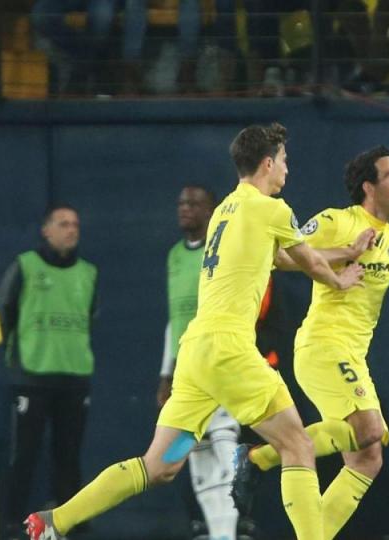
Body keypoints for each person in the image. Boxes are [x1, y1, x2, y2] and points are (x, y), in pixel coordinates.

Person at [25, 122, 364, 540]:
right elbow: (309, 263)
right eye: (284, 161)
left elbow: (279, 258)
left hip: (196, 356)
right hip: (230, 351)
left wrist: (344, 252)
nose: (287, 170)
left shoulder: (225, 211)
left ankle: (55, 520)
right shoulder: (271, 209)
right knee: (299, 446)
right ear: (268, 162)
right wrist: (340, 280)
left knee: (162, 464)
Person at [232, 144, 389, 540]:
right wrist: (344, 252)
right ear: (369, 187)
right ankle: (259, 457)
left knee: (368, 457)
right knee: (370, 430)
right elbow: (278, 256)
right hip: (322, 347)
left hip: (351, 356)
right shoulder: (335, 220)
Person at [0, 205, 98, 540]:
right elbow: (4, 316)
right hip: (33, 377)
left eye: (75, 224)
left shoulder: (88, 272)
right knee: (23, 455)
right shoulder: (25, 266)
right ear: (46, 230)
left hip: (74, 377)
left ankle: (67, 523)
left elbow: (90, 317)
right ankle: (13, 524)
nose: (71, 229)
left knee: (68, 457)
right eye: (63, 224)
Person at [157, 184, 241, 539]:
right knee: (194, 452)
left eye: (193, 203)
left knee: (226, 448)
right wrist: (166, 372)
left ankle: (234, 531)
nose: (184, 208)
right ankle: (219, 533)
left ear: (212, 210)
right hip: (185, 373)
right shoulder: (175, 256)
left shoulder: (223, 251)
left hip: (219, 365)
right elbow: (174, 319)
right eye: (180, 202)